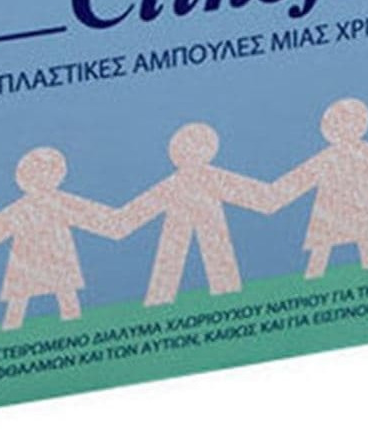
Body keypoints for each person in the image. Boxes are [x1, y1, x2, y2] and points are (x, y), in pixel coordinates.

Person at [0, 147, 126, 330]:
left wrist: (125, 219)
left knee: (67, 301)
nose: (42, 177)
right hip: (26, 264)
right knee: (18, 306)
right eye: (37, 172)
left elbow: (101, 219)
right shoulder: (22, 209)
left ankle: (73, 329)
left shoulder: (61, 202)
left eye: (48, 172)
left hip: (57, 260)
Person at [117, 122, 276, 306]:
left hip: (208, 245)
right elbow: (267, 199)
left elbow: (265, 199)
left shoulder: (199, 180)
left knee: (216, 277)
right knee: (170, 282)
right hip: (180, 243)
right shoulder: (181, 184)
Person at [269, 98, 368, 278]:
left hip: (358, 212)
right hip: (330, 214)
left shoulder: (362, 152)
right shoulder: (329, 158)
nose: (345, 129)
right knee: (322, 254)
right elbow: (291, 185)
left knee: (366, 250)